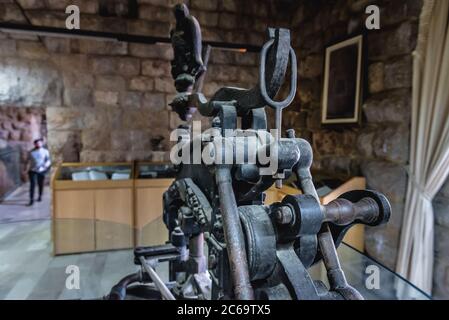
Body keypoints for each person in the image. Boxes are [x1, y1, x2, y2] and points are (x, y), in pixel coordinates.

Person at [27, 138, 51, 206]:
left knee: (40, 184)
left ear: (42, 143)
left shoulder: (45, 151)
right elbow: (27, 161)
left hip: (41, 170)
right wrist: (26, 168)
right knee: (32, 185)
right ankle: (31, 200)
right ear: (34, 144)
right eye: (37, 143)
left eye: (40, 143)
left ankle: (40, 196)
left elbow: (48, 160)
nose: (38, 144)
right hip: (32, 170)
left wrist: (45, 166)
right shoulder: (30, 152)